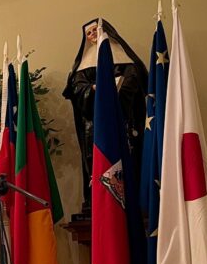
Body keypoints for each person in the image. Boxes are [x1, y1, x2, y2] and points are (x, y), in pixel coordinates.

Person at [62, 18, 148, 208]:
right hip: (93, 124)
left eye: (95, 30)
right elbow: (76, 88)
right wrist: (93, 89)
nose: (92, 35)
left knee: (126, 158)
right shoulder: (83, 63)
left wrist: (114, 90)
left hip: (122, 120)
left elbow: (132, 80)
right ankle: (98, 198)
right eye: (88, 33)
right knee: (96, 161)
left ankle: (129, 195)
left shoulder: (124, 59)